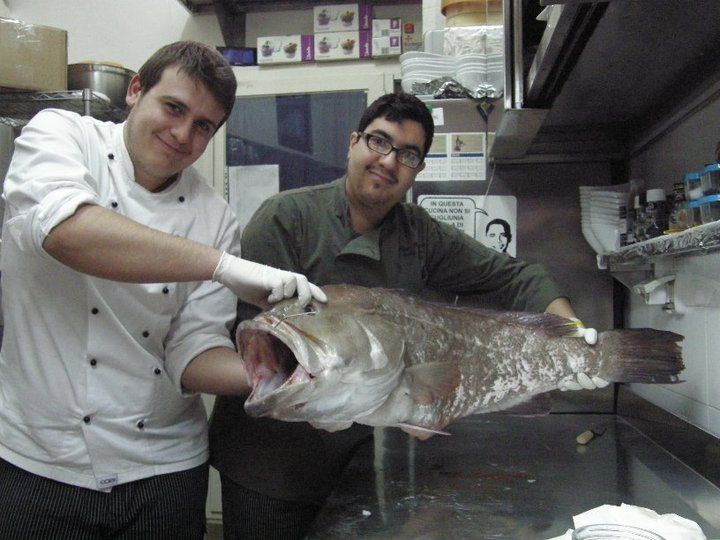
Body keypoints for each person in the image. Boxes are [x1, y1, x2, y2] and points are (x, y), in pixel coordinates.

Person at [209, 92, 605, 539]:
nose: (388, 161)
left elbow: (517, 277)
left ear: (418, 170)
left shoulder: (419, 234)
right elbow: (257, 350)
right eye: (378, 142)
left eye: (407, 154)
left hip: (349, 458)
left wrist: (574, 338)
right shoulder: (285, 219)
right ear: (353, 143)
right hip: (267, 467)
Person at [0, 41, 324, 539]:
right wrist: (223, 268)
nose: (182, 134)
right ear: (135, 91)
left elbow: (190, 355)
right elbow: (67, 232)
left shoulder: (213, 215)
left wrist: (288, 376)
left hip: (164, 470)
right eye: (174, 108)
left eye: (203, 126)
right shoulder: (62, 134)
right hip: (40, 462)